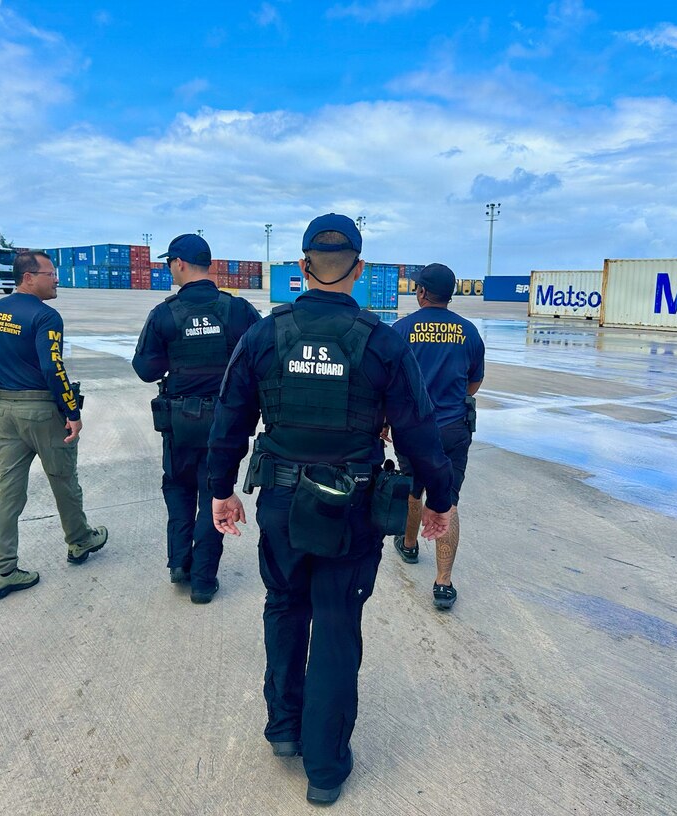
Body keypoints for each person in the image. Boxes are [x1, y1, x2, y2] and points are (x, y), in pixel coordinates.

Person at [207, 213, 454, 805]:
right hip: (352, 503)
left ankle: (284, 730)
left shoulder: (266, 335)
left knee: (284, 605)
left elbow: (230, 420)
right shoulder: (383, 342)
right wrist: (439, 501)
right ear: (361, 270)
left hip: (283, 500)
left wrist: (222, 490)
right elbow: (420, 432)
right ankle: (325, 767)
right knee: (338, 624)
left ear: (302, 267)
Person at [132, 233, 261, 604]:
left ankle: (179, 563)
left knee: (178, 486)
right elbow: (259, 359)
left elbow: (145, 369)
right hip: (225, 422)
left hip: (180, 420)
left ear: (180, 263)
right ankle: (204, 580)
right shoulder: (237, 310)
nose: (169, 268)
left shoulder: (165, 313)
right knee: (214, 492)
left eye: (169, 262)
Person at [0, 250, 107, 599]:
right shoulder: (46, 316)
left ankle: (2, 570)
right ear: (28, 277)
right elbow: (53, 368)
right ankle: (80, 541)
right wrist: (72, 411)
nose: (56, 280)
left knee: (9, 493)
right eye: (50, 274)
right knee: (64, 479)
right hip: (41, 411)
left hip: (4, 412)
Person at [390, 263, 485, 610]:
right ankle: (443, 583)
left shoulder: (400, 330)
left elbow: (389, 382)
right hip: (453, 428)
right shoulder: (470, 332)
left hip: (413, 428)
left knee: (414, 487)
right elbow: (473, 383)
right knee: (448, 499)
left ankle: (410, 544)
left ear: (422, 293)